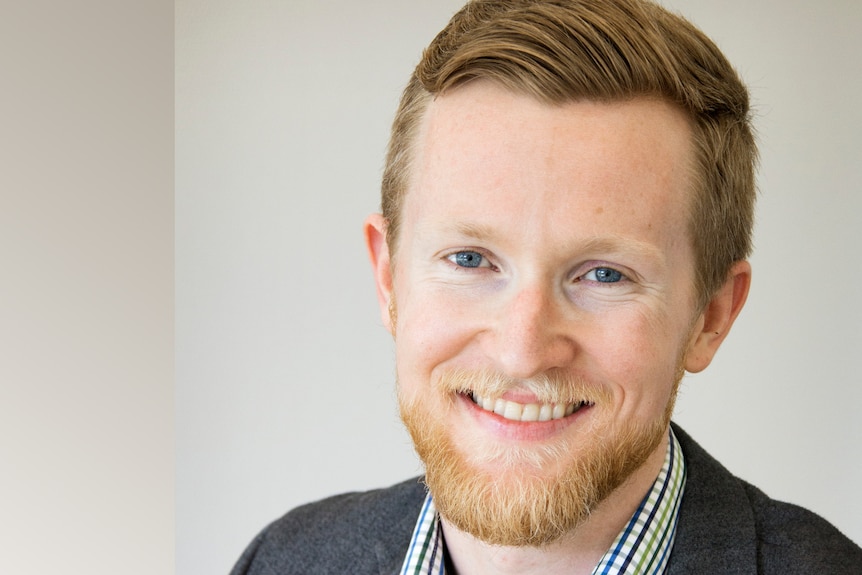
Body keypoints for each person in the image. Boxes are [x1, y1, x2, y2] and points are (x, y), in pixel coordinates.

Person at [230, 0, 862, 573]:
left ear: (711, 316)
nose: (522, 350)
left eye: (605, 275)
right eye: (471, 259)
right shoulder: (283, 561)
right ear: (389, 276)